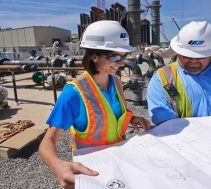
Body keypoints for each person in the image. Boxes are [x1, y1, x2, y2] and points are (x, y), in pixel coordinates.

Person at [39, 20, 150, 189]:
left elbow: (109, 114)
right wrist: (58, 166)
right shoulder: (74, 93)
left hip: (117, 161)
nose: (121, 63)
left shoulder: (117, 82)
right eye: (115, 56)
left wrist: (131, 118)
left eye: (124, 56)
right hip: (90, 169)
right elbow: (48, 141)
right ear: (94, 56)